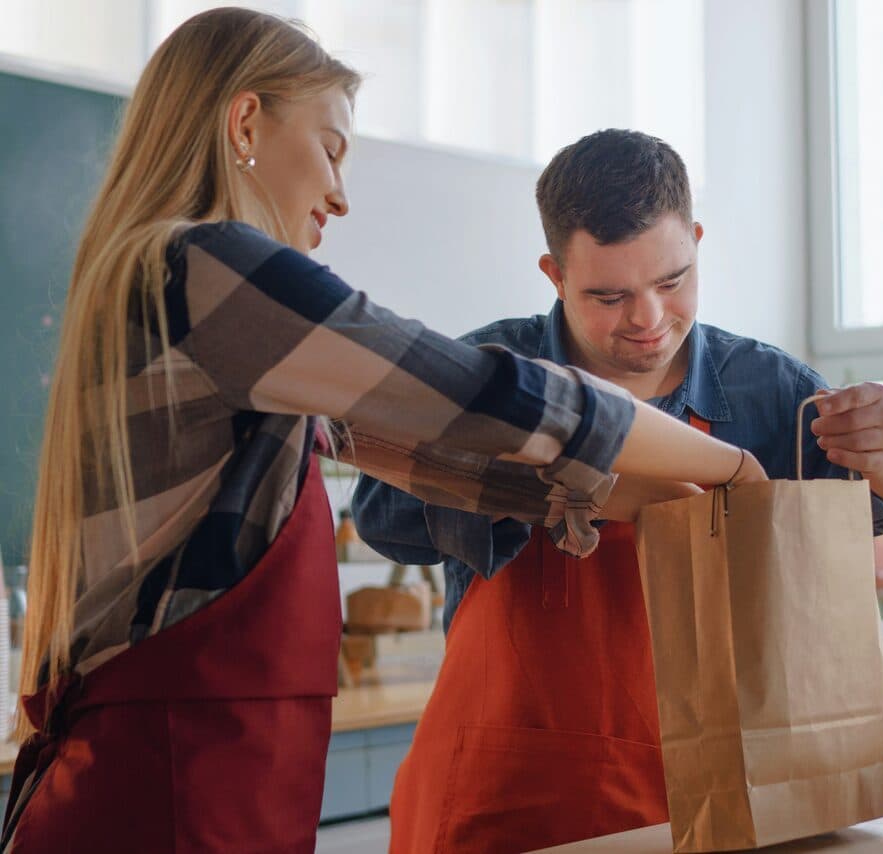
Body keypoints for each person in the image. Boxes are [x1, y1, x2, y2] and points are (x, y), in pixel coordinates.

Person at [4, 14, 762, 853]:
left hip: (169, 784)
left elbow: (435, 459)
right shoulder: (204, 265)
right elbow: (478, 394)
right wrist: (730, 463)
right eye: (330, 148)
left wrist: (618, 491)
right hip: (169, 795)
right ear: (246, 122)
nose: (340, 193)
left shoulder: (165, 288)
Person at [353, 128, 883, 852]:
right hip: (507, 799)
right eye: (609, 295)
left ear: (697, 240)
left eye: (672, 282)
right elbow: (381, 517)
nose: (647, 318)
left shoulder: (768, 390)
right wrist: (550, 470)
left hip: (711, 797)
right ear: (554, 273)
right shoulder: (492, 374)